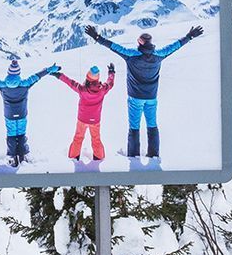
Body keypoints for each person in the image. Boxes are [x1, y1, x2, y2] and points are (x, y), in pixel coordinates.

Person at [83, 23, 204, 159]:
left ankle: (133, 156)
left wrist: (97, 37)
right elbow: (175, 46)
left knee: (134, 127)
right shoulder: (159, 55)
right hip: (151, 98)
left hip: (135, 98)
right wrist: (189, 36)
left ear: (140, 44)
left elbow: (113, 46)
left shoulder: (131, 55)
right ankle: (153, 154)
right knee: (152, 125)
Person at [0, 58, 59, 166]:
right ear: (18, 73)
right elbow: (38, 76)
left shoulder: (2, 85)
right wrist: (50, 69)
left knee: (11, 135)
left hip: (9, 115)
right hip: (22, 114)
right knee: (21, 134)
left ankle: (12, 157)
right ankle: (22, 156)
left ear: (8, 73)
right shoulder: (25, 83)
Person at [57, 62, 117, 161]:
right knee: (96, 139)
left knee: (78, 138)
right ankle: (99, 158)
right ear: (97, 78)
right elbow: (110, 83)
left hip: (82, 119)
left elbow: (70, 82)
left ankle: (73, 157)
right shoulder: (102, 90)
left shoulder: (82, 89)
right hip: (95, 120)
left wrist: (59, 75)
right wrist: (111, 72)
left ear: (88, 77)